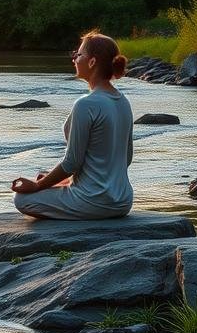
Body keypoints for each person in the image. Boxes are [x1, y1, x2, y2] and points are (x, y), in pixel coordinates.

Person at [10, 31, 134, 220]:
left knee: (21, 199)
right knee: (46, 176)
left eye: (78, 54)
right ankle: (68, 187)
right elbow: (126, 158)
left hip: (93, 201)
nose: (74, 59)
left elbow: (72, 162)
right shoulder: (123, 101)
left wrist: (38, 187)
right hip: (123, 201)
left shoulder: (86, 104)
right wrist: (63, 181)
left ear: (92, 62)